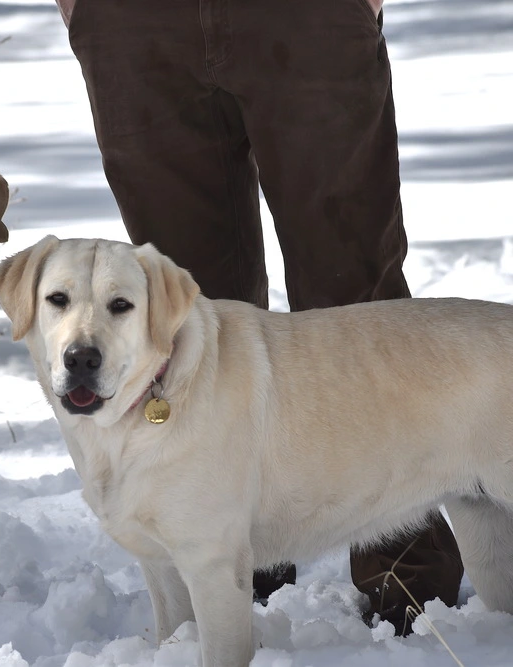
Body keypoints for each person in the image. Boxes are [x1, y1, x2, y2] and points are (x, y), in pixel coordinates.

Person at [54, 0, 463, 635]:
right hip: (134, 23)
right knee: (184, 319)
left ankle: (405, 576)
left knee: (358, 302)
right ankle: (228, 570)